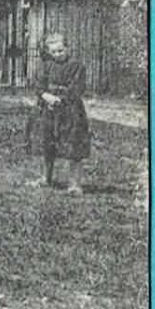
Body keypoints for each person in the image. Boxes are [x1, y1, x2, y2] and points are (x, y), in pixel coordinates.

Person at [27, 32, 90, 193]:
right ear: (49, 52)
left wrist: (61, 99)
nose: (57, 54)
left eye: (61, 50)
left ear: (67, 48)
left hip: (70, 111)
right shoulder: (46, 65)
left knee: (74, 145)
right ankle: (45, 177)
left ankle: (74, 183)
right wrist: (45, 95)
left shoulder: (77, 66)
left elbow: (77, 88)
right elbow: (39, 83)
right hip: (47, 110)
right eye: (54, 51)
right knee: (46, 142)